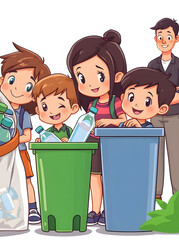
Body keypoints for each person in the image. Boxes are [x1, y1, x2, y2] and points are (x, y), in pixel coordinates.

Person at [0, 43, 50, 224]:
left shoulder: (23, 114)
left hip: (18, 151)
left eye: (28, 87)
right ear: (2, 81)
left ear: (35, 95)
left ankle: (32, 207)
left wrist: (8, 141)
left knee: (26, 179)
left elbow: (27, 136)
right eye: (11, 81)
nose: (17, 90)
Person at [67, 30, 127, 226]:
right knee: (94, 178)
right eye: (82, 78)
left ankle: (110, 210)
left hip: (112, 144)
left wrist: (110, 123)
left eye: (99, 75)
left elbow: (124, 122)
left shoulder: (116, 102)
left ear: (116, 75)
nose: (91, 83)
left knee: (112, 178)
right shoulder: (92, 105)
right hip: (93, 143)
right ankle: (95, 210)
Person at [148, 18, 179, 200]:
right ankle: (156, 196)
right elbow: (147, 93)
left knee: (176, 157)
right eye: (159, 36)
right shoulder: (152, 65)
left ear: (176, 39)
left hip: (175, 117)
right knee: (156, 157)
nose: (163, 40)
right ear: (155, 39)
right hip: (155, 117)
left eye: (168, 36)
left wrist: (166, 99)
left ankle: (177, 198)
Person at [32, 74, 80, 142]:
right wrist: (40, 141)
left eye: (60, 105)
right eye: (45, 107)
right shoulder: (48, 132)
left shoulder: (68, 131)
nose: (52, 111)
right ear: (38, 111)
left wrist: (68, 141)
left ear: (73, 108)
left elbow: (75, 141)